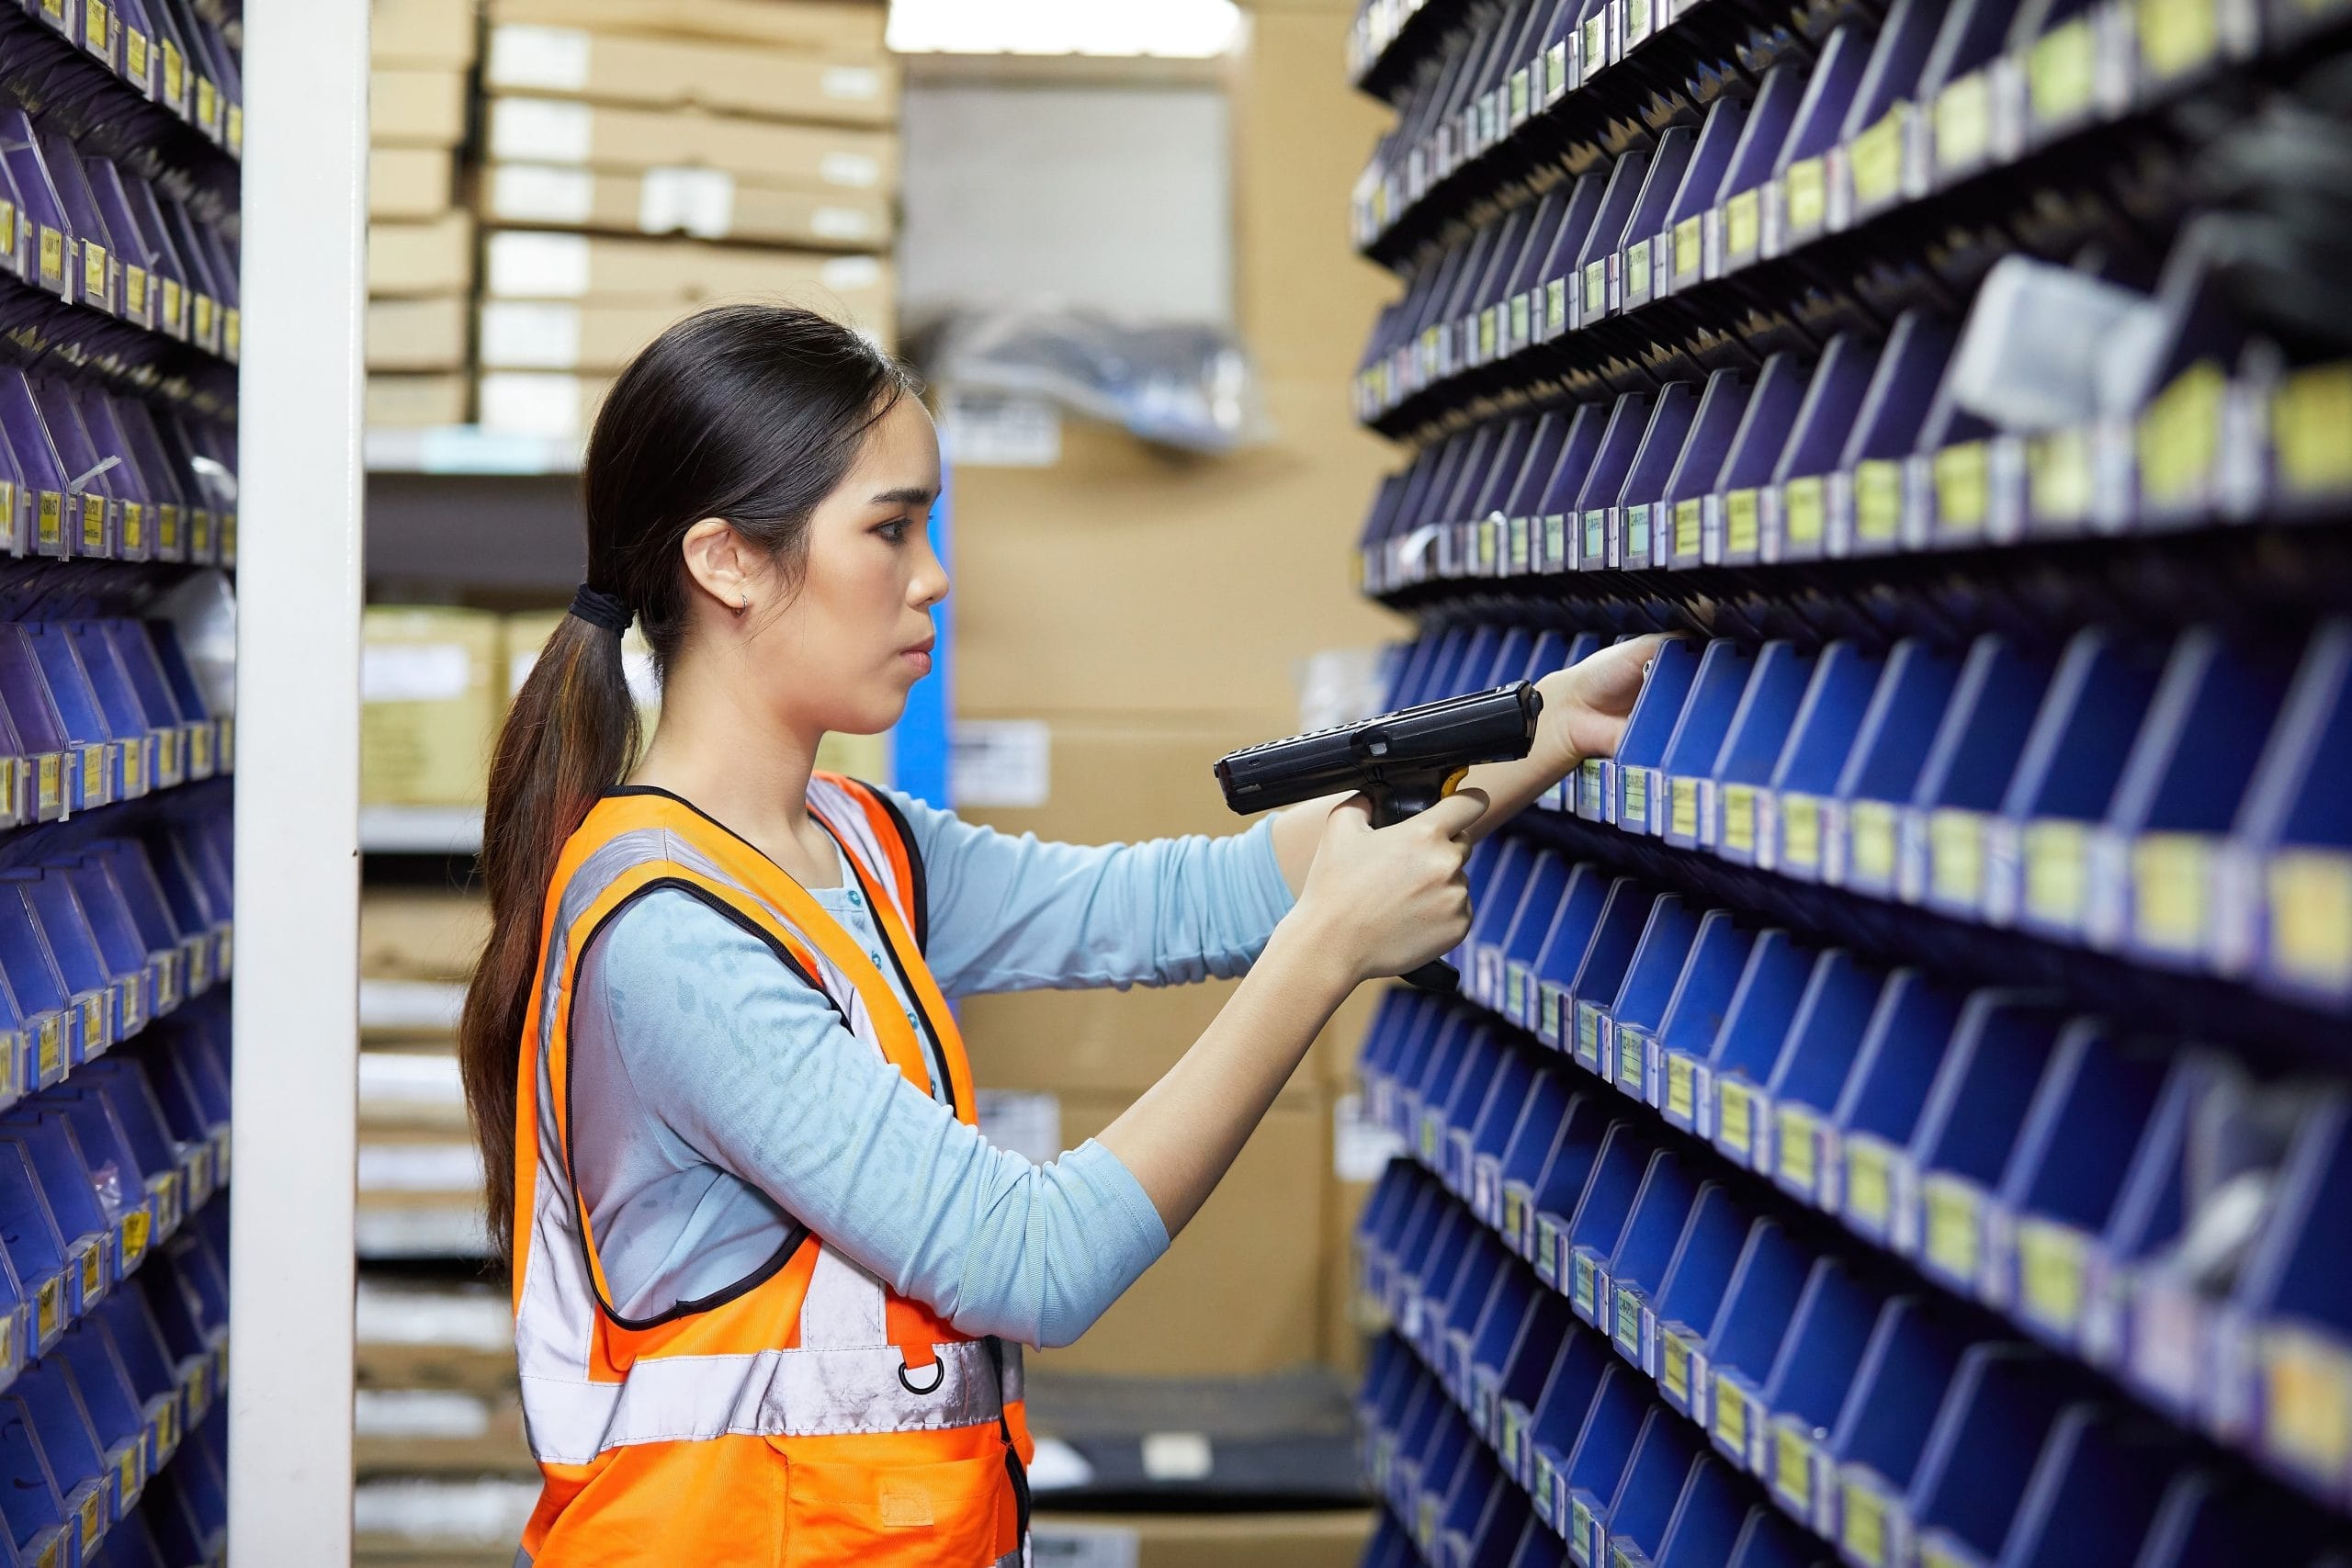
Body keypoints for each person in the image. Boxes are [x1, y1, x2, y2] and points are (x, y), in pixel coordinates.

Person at [458, 304, 1660, 1567]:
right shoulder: (671, 944)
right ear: (729, 562)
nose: (931, 575)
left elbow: (1191, 901)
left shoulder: (857, 845)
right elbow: (1032, 1259)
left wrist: (1547, 729)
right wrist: (1326, 957)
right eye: (888, 528)